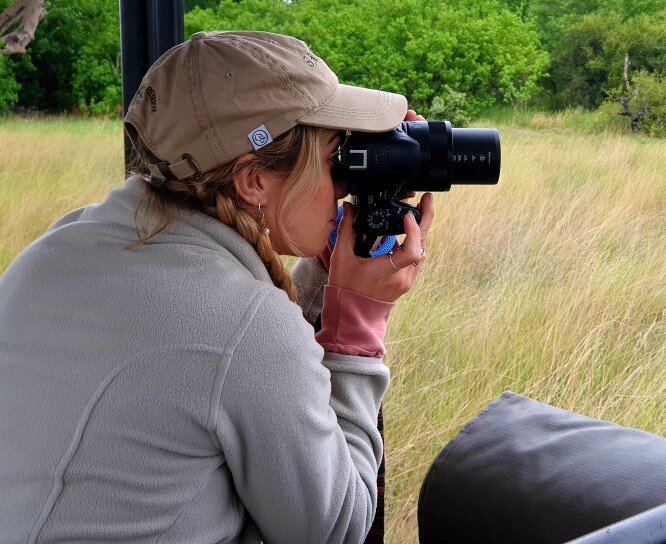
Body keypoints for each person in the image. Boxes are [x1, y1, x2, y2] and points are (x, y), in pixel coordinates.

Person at [0, 30, 434, 543]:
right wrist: (357, 333)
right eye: (335, 157)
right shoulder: (241, 324)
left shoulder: (63, 246)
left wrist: (325, 274)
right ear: (253, 181)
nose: (345, 182)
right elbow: (337, 530)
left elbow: (234, 369)